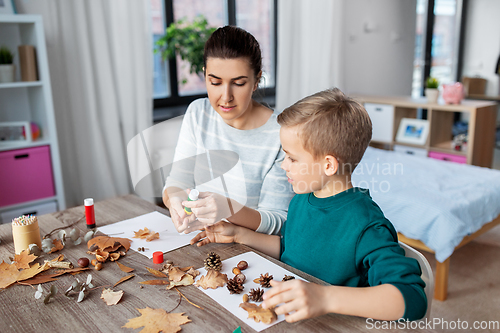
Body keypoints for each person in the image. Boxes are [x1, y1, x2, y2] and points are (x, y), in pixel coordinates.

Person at [190, 88, 427, 322]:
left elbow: (413, 299)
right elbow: (292, 251)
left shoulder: (366, 225)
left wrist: (325, 297)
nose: (284, 165)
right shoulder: (302, 199)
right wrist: (239, 235)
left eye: (292, 158)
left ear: (328, 165)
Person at [162, 26, 294, 235]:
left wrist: (229, 210)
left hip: (251, 251)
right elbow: (178, 180)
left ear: (256, 81)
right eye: (215, 82)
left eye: (239, 83)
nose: (225, 96)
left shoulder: (281, 133)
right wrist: (175, 201)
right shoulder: (198, 112)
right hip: (201, 240)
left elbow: (279, 221)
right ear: (205, 76)